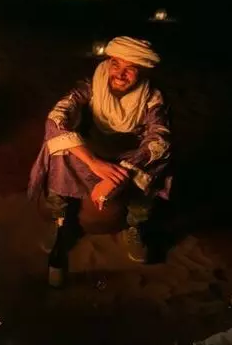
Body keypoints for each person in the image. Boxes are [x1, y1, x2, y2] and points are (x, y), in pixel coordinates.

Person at [28, 37, 172, 270]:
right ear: (107, 62)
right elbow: (56, 118)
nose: (120, 74)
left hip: (131, 156)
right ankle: (60, 221)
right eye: (115, 64)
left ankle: (136, 225)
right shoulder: (91, 86)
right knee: (58, 151)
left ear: (144, 72)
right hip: (92, 153)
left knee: (159, 157)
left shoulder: (153, 98)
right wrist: (93, 162)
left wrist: (116, 176)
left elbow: (159, 140)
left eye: (130, 69)